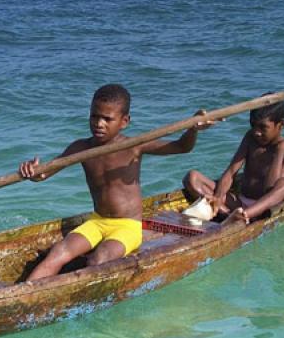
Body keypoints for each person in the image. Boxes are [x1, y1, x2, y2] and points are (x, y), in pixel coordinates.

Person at [18, 84, 217, 281]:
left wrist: (193, 129)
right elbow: (44, 174)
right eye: (95, 116)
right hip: (97, 221)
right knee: (58, 251)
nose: (99, 123)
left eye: (107, 119)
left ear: (124, 121)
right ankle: (24, 295)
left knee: (98, 259)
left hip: (128, 226)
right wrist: (32, 171)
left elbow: (181, 147)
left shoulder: (133, 147)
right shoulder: (81, 147)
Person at [182, 95, 284, 225]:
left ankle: (244, 216)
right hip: (238, 204)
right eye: (253, 125)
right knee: (192, 177)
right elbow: (231, 171)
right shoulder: (251, 138)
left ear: (281, 125)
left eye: (263, 127)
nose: (257, 132)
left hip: (263, 209)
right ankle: (229, 215)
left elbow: (270, 189)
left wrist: (280, 150)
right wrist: (217, 198)